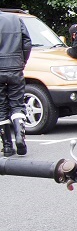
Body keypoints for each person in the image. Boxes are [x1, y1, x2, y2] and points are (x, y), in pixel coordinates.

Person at [0, 11, 32, 156]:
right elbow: (27, 42)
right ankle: (20, 137)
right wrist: (22, 61)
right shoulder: (15, 19)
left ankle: (7, 146)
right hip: (15, 67)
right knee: (17, 104)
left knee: (1, 107)